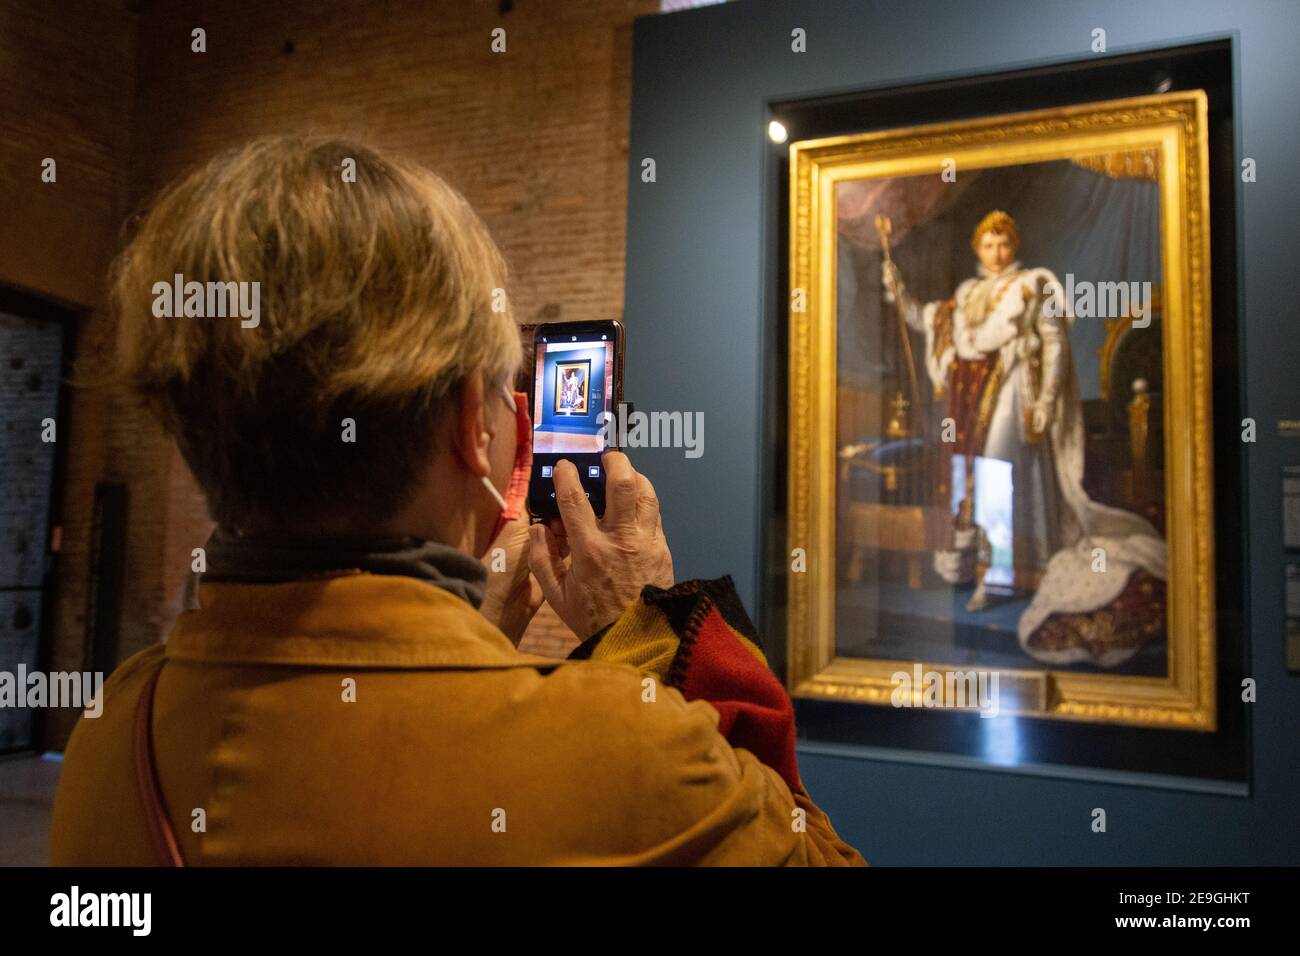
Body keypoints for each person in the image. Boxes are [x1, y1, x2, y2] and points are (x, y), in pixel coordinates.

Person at [50, 136, 865, 866]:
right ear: (476, 427)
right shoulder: (628, 756)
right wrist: (648, 628)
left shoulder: (110, 729)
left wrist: (460, 648)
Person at [883, 211, 1165, 663]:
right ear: (977, 249)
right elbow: (931, 322)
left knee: (996, 474)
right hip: (970, 398)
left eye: (1004, 244)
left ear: (1015, 245)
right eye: (989, 245)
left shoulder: (1034, 284)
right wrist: (898, 290)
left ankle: (1002, 573)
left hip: (1015, 390)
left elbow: (1053, 343)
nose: (997, 253)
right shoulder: (967, 295)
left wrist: (1045, 402)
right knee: (973, 477)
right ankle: (985, 568)